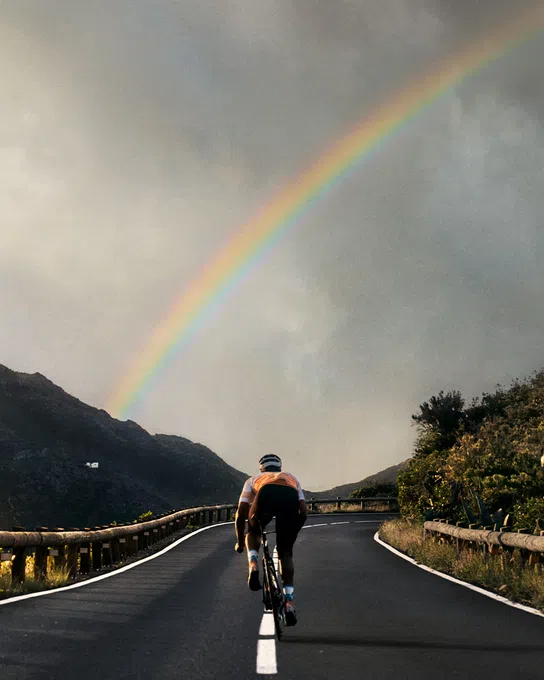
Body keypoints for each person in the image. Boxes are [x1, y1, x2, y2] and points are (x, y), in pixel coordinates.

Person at [234, 454, 307, 627]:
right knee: (285, 553)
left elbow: (241, 513)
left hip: (265, 493)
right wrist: (292, 533)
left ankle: (253, 564)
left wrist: (239, 541)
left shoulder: (254, 479)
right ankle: (289, 602)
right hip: (289, 497)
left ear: (261, 468)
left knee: (252, 532)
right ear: (280, 467)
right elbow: (303, 510)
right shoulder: (291, 478)